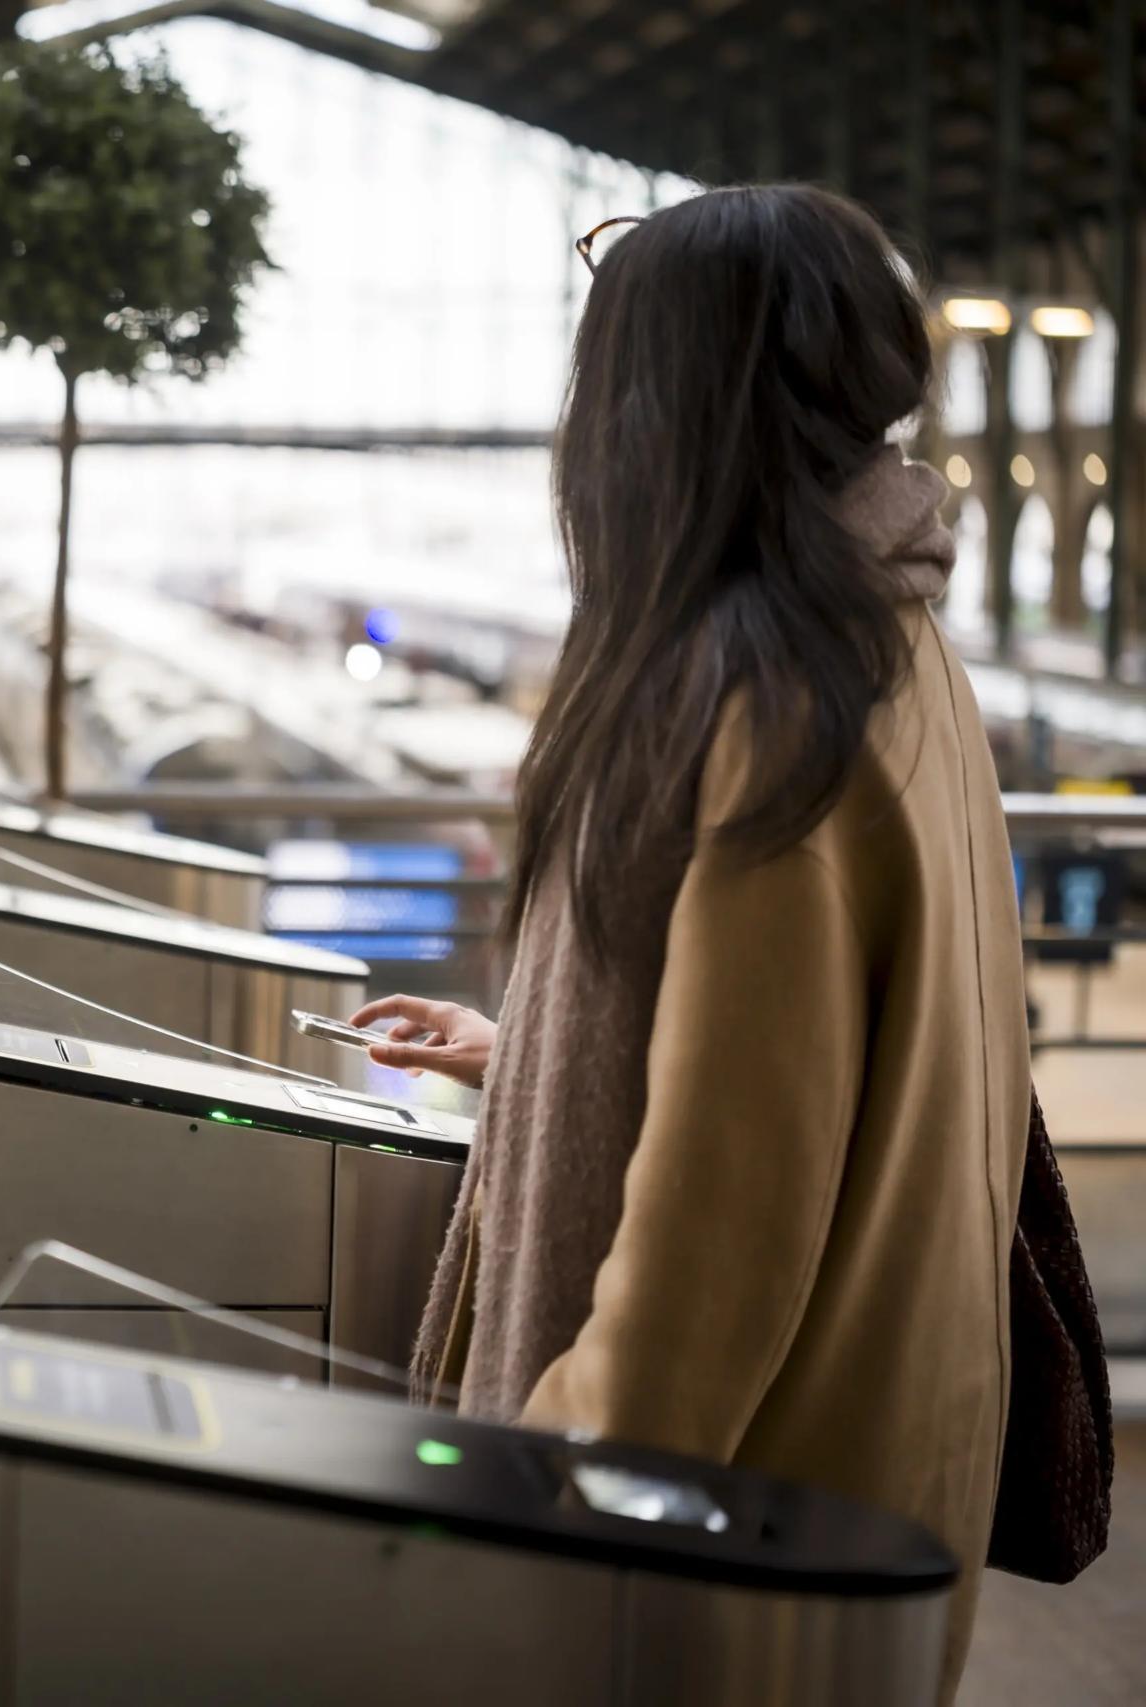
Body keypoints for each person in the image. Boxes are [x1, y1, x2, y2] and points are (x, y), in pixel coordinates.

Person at [351, 185, 1027, 1697]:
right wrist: (538, 1052)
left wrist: (535, 1494)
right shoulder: (895, 646)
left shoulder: (758, 693)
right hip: (865, 1476)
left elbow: (721, 1232)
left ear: (665, 402)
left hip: (699, 1551)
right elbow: (797, 1051)